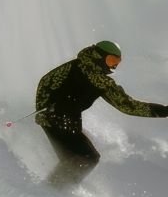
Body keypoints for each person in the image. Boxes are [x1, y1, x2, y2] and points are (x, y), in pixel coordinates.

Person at [34, 41, 168, 188]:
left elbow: (127, 106)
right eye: (111, 60)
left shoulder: (99, 80)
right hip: (54, 119)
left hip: (66, 120)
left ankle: (55, 187)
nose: (113, 66)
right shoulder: (77, 69)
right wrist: (46, 107)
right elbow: (46, 82)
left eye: (117, 62)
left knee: (84, 157)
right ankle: (54, 189)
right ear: (98, 55)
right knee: (86, 157)